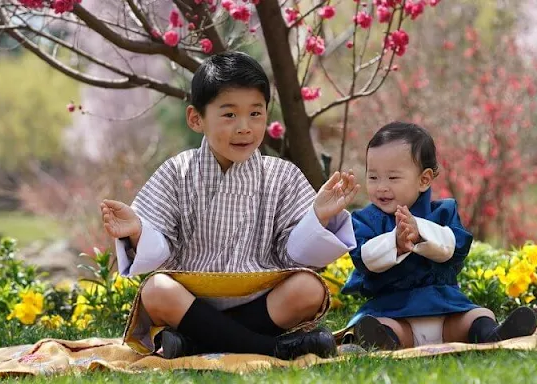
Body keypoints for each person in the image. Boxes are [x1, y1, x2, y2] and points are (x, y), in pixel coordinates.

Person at [100, 51, 360, 360]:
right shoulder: (176, 172)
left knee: (309, 288)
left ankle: (195, 342)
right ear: (196, 118)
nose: (244, 127)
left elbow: (295, 256)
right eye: (229, 114)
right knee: (156, 290)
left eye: (255, 113)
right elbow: (159, 250)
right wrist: (138, 230)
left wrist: (318, 217)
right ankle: (271, 348)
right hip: (191, 301)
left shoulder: (282, 175)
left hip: (264, 300)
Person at [341, 121, 537, 350]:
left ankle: (491, 334)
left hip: (446, 310)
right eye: (373, 177)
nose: (381, 187)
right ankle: (384, 341)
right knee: (379, 325)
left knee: (477, 315)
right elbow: (365, 258)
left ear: (424, 180)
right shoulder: (365, 220)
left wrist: (420, 233)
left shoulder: (443, 212)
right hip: (393, 311)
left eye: (392, 178)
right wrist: (395, 242)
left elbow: (452, 247)